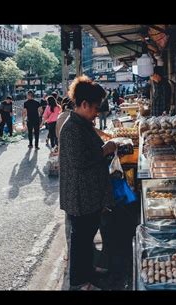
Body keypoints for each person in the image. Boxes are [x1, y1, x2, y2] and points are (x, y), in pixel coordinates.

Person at [59, 75, 117, 291]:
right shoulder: (72, 128)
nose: (96, 114)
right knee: (81, 241)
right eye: (95, 108)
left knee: (87, 237)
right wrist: (106, 149)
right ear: (83, 104)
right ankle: (80, 281)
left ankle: (88, 271)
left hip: (88, 194)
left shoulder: (82, 123)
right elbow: (80, 161)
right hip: (80, 196)